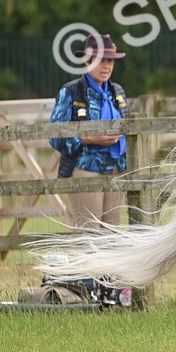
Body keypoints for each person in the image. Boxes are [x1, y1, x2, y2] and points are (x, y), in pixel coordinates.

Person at [48, 34, 131, 228]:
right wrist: (89, 138)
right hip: (86, 169)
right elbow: (54, 136)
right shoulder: (71, 91)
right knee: (89, 230)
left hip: (116, 169)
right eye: (101, 60)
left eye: (110, 61)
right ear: (87, 61)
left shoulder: (117, 92)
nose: (107, 66)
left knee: (112, 231)